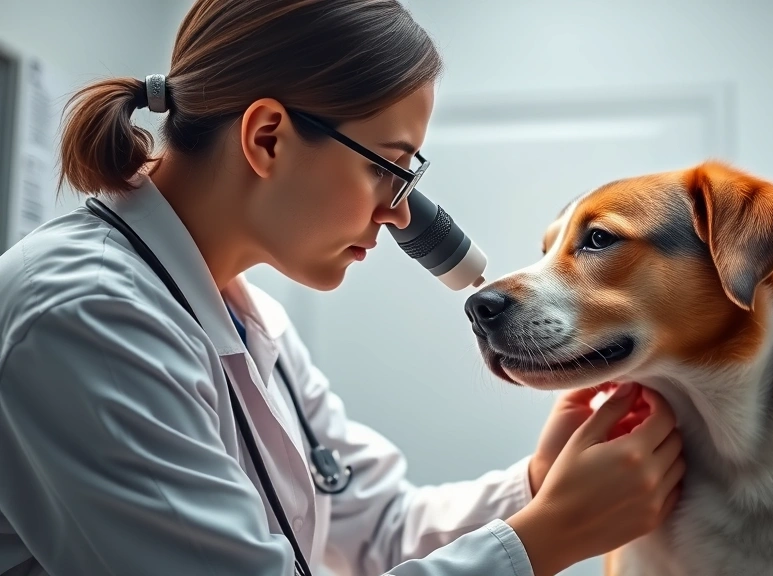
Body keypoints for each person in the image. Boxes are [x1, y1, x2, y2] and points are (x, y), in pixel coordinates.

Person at [0, 1, 686, 575]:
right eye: (386, 166)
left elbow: (380, 528)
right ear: (267, 138)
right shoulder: (86, 317)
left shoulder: (245, 317)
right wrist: (543, 541)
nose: (399, 214)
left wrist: (538, 482)